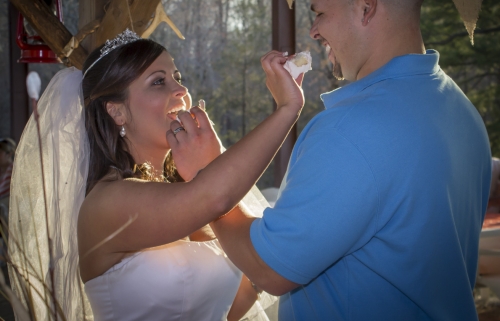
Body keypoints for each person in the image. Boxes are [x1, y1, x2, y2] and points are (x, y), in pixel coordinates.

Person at [208, 0, 492, 320]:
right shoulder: (460, 108)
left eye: (320, 12)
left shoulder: (349, 129)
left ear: (366, 8)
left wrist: (205, 181)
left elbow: (269, 269)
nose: (313, 31)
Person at [8, 30, 304, 321]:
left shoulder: (186, 193)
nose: (181, 91)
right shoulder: (108, 202)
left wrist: (202, 175)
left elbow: (233, 303)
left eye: (177, 77)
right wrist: (287, 108)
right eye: (158, 81)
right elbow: (215, 198)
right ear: (117, 112)